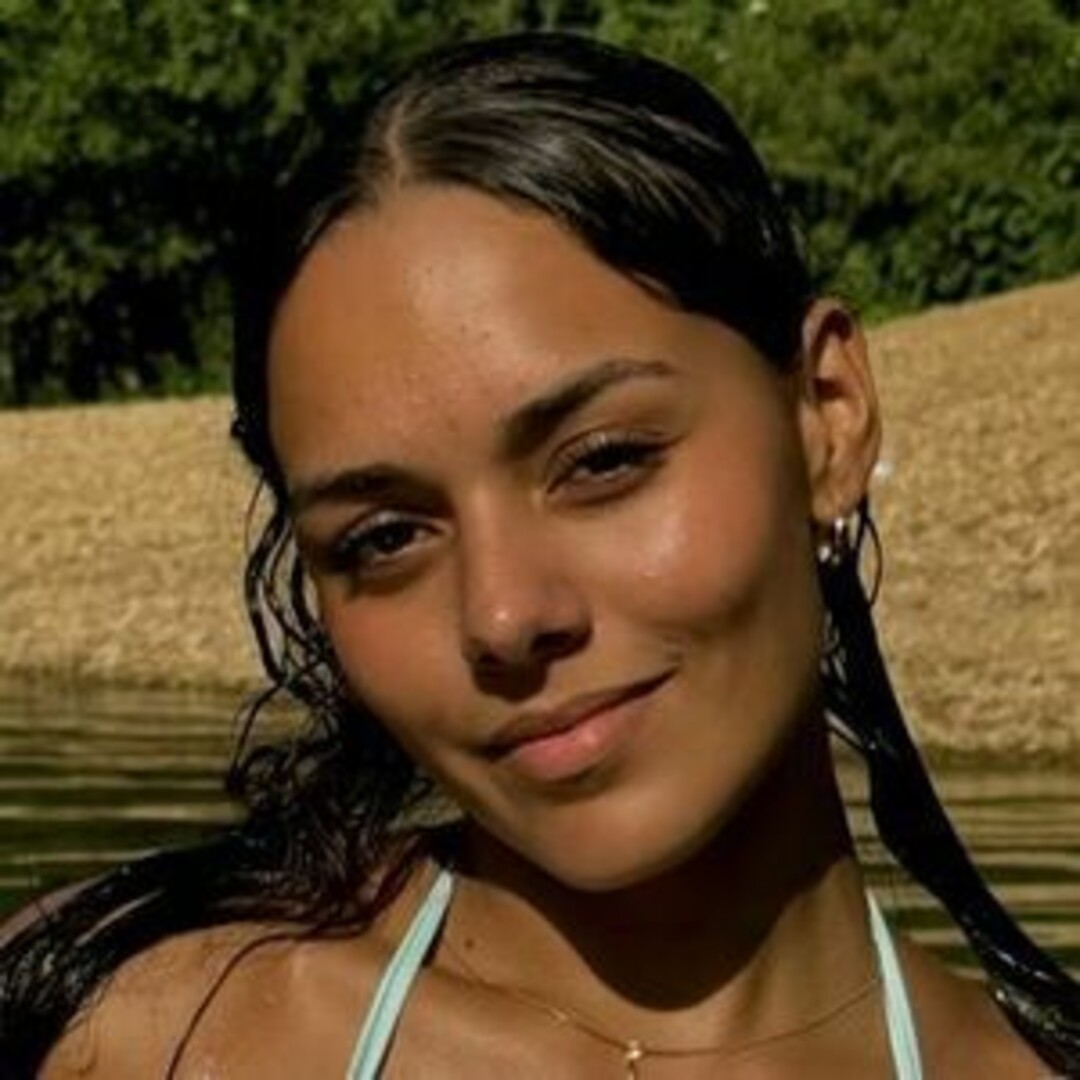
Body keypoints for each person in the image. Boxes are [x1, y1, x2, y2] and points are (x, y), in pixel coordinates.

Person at [2, 31, 1078, 1078]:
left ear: (826, 419)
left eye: (603, 462)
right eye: (386, 537)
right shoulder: (134, 1030)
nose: (505, 616)